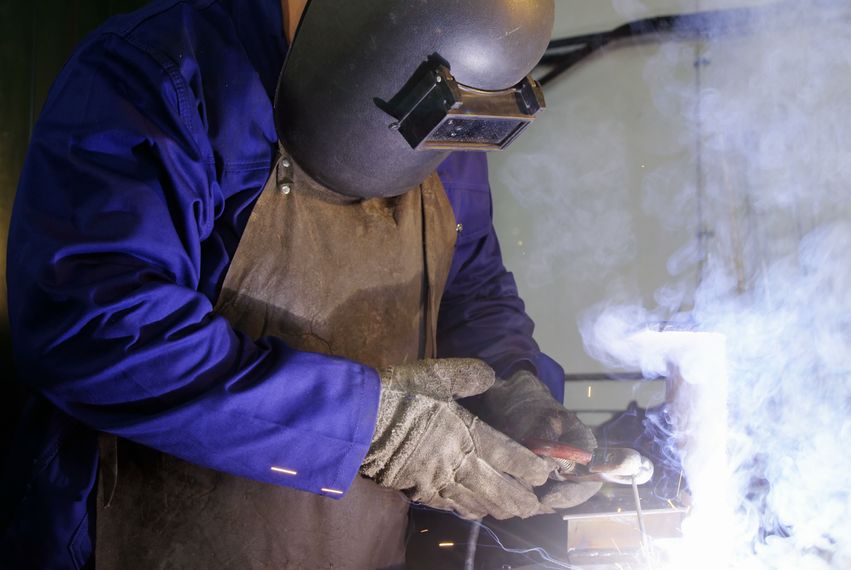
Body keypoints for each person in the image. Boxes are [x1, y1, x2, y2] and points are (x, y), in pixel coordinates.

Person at [0, 0, 600, 567]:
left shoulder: (451, 103)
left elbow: (472, 285)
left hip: (360, 544)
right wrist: (371, 426)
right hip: (151, 539)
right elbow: (96, 329)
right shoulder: (160, 71)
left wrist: (515, 391)